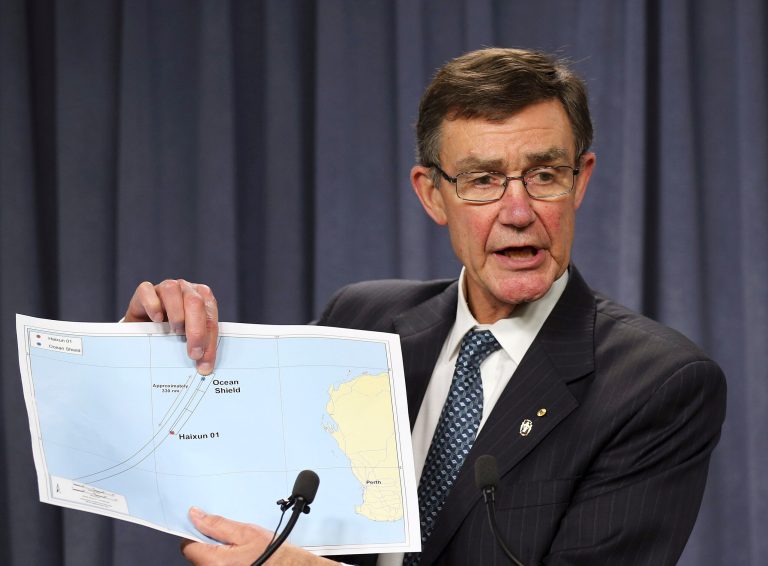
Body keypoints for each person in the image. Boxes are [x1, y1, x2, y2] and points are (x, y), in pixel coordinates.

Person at [124, 48, 726, 565]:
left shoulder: (655, 385)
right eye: (483, 180)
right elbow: (221, 476)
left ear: (582, 180)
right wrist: (149, 359)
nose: (518, 211)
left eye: (543, 174)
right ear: (432, 194)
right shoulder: (361, 320)